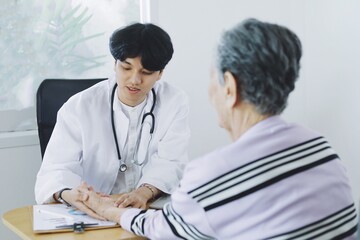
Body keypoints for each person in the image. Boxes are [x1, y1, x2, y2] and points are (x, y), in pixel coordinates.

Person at [78, 18, 358, 239]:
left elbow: (165, 229)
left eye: (213, 78)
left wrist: (109, 210)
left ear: (230, 88)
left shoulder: (215, 175)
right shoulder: (324, 152)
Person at [35, 23, 190, 219]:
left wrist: (143, 193)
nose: (134, 80)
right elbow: (55, 169)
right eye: (126, 67)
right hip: (91, 210)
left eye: (146, 72)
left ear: (160, 73)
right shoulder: (79, 107)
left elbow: (171, 161)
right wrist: (70, 194)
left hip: (148, 209)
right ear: (114, 64)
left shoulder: (174, 102)